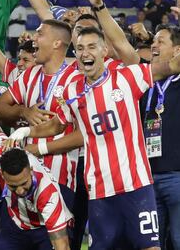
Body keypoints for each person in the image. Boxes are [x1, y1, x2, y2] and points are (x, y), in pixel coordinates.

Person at [11, 24, 180, 250]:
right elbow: (57, 125)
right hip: (99, 190)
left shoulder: (129, 77)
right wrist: (27, 131)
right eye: (80, 48)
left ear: (104, 52)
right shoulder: (72, 90)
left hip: (136, 186)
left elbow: (172, 65)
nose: (84, 53)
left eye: (91, 47)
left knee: (149, 247)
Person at [0, 72, 73, 250]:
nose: (20, 190)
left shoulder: (47, 194)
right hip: (16, 225)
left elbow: (62, 246)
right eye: (12, 186)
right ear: (2, 173)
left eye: (24, 183)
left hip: (44, 229)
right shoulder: (0, 153)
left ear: (30, 170)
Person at [0, 20, 82, 212]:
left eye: (40, 33)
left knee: (58, 241)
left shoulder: (77, 80)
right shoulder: (29, 75)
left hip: (60, 176)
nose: (33, 38)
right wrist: (23, 111)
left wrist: (39, 148)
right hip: (24, 176)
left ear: (57, 43)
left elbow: (84, 135)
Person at [141, 25, 180, 250]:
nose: (153, 45)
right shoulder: (146, 82)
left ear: (176, 51)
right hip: (148, 176)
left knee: (177, 240)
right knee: (152, 244)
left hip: (177, 176)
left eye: (160, 41)